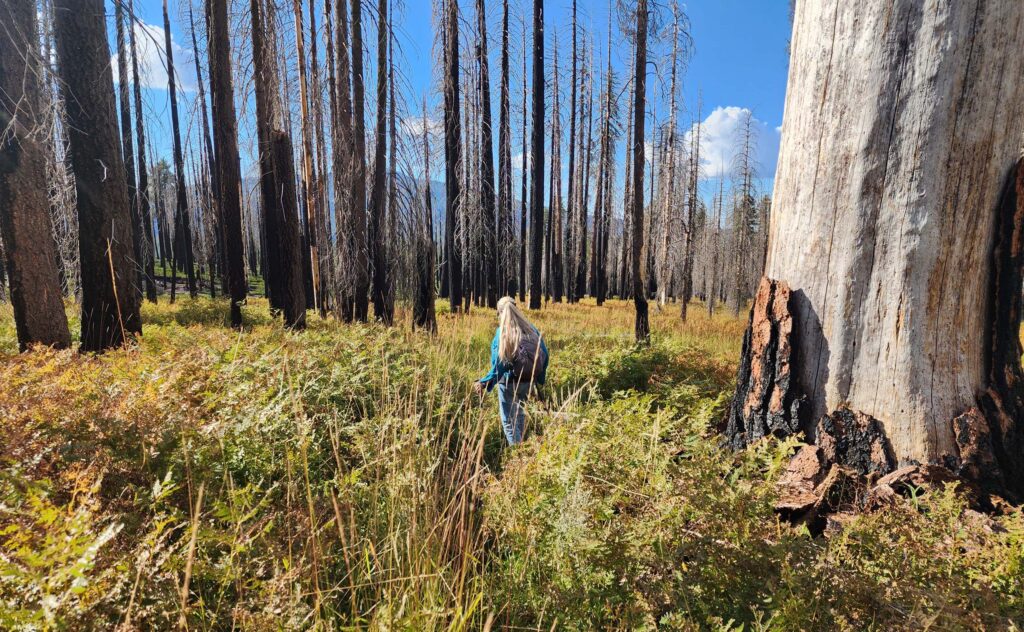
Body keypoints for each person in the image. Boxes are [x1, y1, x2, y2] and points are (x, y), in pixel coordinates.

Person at [474, 296, 549, 445]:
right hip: (527, 382)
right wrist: (539, 378)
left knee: (509, 422)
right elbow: (544, 354)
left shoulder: (501, 332)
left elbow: (499, 364)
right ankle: (522, 447)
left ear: (499, 312)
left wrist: (485, 382)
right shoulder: (530, 328)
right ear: (517, 308)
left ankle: (517, 454)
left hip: (509, 383)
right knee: (520, 416)